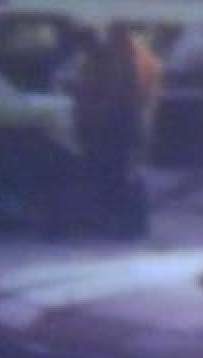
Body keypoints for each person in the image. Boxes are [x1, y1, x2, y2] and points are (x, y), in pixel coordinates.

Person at [72, 21, 160, 237]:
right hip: (120, 126)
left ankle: (123, 224)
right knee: (118, 175)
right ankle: (121, 223)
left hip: (115, 126)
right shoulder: (128, 55)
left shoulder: (119, 58)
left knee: (117, 176)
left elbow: (115, 95)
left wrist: (91, 115)